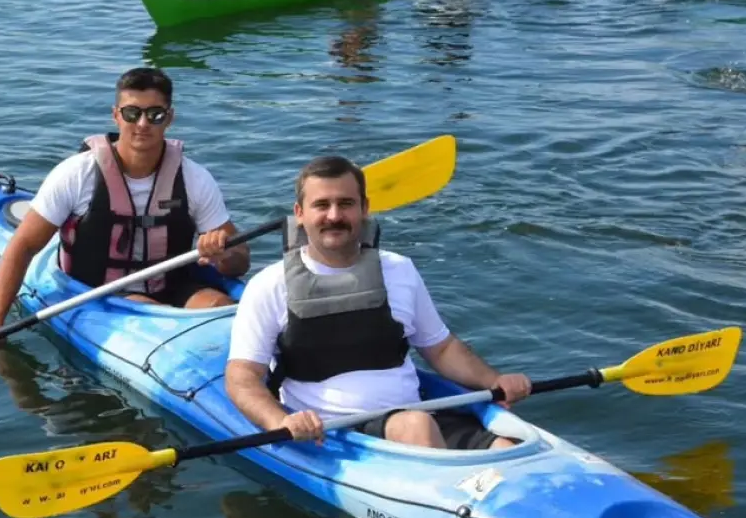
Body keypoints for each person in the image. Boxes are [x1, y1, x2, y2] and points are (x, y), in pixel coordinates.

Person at [225, 155, 532, 449]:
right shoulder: (269, 285)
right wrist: (280, 420)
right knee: (417, 427)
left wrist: (495, 380)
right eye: (322, 205)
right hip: (333, 432)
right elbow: (242, 378)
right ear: (300, 214)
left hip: (417, 414)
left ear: (365, 209)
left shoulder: (399, 269)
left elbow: (441, 348)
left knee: (504, 446)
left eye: (346, 204)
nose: (334, 215)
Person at [0, 68, 249, 352]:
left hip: (171, 284)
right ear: (116, 116)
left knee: (221, 307)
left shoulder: (195, 178)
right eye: (132, 113)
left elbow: (240, 264)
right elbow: (23, 245)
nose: (142, 124)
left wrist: (224, 254)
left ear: (169, 118)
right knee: (149, 309)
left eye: (155, 115)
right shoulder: (77, 174)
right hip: (97, 290)